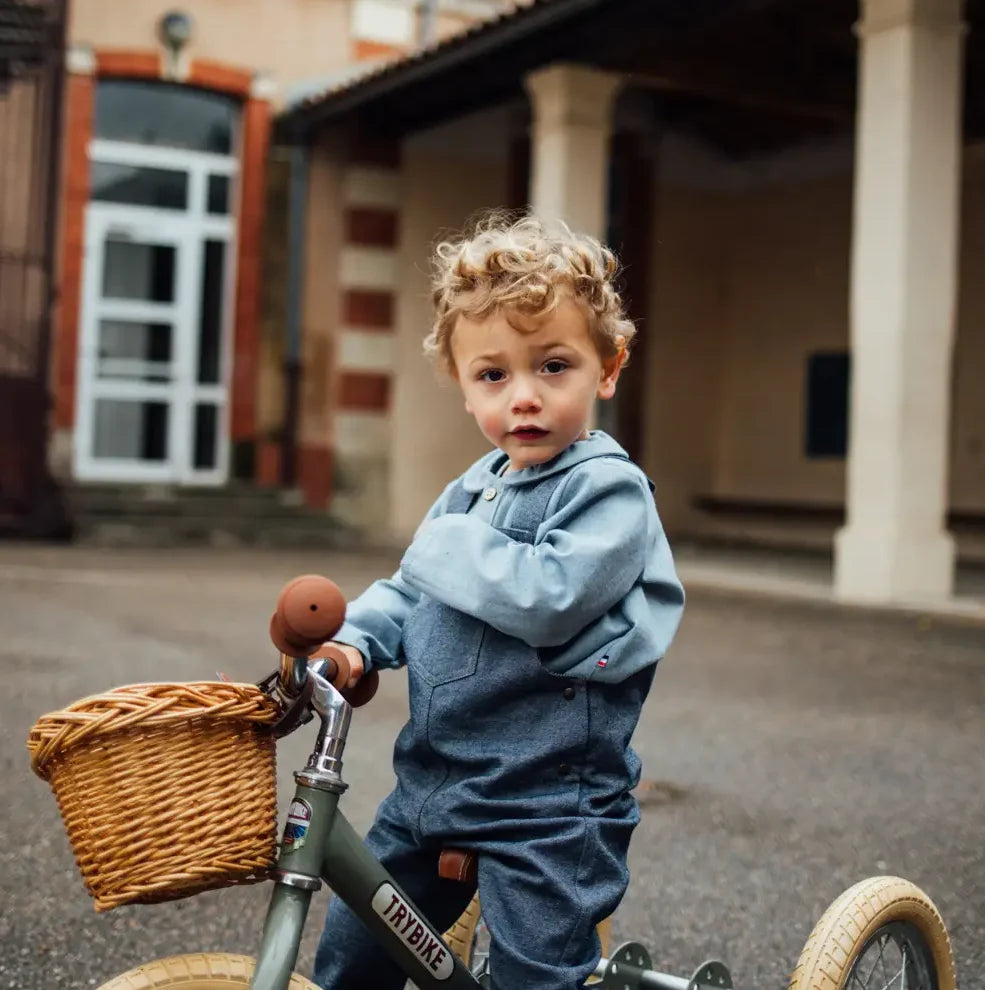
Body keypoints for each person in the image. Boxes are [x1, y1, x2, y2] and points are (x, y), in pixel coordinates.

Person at [312, 213, 685, 990]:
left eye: (553, 366)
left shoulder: (606, 489)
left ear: (607, 368)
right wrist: (352, 642)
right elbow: (410, 591)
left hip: (548, 807)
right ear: (459, 381)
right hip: (434, 785)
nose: (523, 398)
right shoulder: (472, 489)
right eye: (493, 375)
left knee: (533, 978)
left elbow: (550, 596)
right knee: (354, 949)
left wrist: (444, 545)